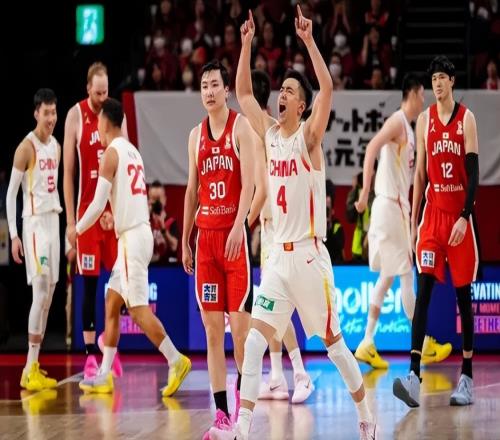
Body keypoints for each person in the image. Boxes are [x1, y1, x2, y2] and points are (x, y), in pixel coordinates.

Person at [210, 8, 377, 439]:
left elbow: (328, 88)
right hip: (277, 263)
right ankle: (242, 427)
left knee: (335, 347)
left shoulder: (309, 138)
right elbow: (243, 93)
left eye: (289, 91)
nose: (281, 94)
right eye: (280, 89)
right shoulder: (269, 135)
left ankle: (367, 416)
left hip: (308, 258)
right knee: (253, 343)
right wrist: (246, 43)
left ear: (300, 106)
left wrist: (308, 41)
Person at [70, 98, 191, 395]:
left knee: (136, 311)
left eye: (98, 121)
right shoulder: (133, 151)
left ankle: (176, 360)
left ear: (104, 122)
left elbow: (97, 203)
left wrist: (77, 229)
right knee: (112, 301)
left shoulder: (110, 153)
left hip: (131, 240)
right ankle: (104, 374)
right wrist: (115, 216)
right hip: (138, 233)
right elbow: (128, 197)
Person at [393, 56, 479, 407]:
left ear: (452, 81)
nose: (438, 83)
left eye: (443, 77)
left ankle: (467, 377)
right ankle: (413, 376)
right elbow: (419, 175)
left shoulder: (466, 118)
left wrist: (465, 216)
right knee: (423, 291)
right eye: (434, 79)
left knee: (463, 297)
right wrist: (413, 223)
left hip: (458, 219)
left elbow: (473, 174)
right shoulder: (425, 120)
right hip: (432, 218)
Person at [354, 73, 452, 369]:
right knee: (407, 273)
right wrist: (364, 192)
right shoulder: (397, 121)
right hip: (389, 206)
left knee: (387, 276)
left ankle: (366, 342)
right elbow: (372, 147)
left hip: (393, 209)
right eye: (422, 94)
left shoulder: (408, 129)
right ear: (413, 92)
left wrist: (410, 226)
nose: (424, 100)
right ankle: (422, 343)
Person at [181, 59, 255, 436]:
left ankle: (243, 402)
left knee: (240, 334)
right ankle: (222, 413)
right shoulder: (195, 135)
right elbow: (192, 190)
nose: (209, 91)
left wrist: (240, 224)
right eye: (204, 86)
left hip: (233, 240)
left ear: (227, 90)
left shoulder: (241, 127)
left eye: (214, 85)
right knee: (213, 333)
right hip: (206, 241)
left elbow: (251, 184)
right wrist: (185, 239)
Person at [246, 69, 314, 404]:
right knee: (270, 304)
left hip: (284, 229)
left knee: (280, 305)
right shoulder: (265, 128)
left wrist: (243, 223)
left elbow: (263, 188)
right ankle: (276, 376)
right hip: (272, 226)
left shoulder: (263, 129)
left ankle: (300, 372)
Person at [64, 62, 126, 379]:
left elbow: (125, 163)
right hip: (87, 215)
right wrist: (70, 222)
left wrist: (117, 211)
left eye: (106, 92)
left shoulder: (114, 114)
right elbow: (68, 173)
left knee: (121, 286)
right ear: (88, 88)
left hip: (112, 216)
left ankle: (107, 342)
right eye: (98, 93)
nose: (102, 98)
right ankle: (90, 354)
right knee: (89, 286)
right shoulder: (75, 115)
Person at [6, 88, 61, 390]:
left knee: (48, 297)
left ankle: (34, 365)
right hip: (35, 224)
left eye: (54, 112)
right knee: (39, 293)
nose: (51, 118)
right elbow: (11, 194)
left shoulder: (56, 146)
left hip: (53, 221)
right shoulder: (25, 148)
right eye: (46, 113)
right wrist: (14, 235)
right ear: (36, 113)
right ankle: (29, 367)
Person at [148, 180, 179, 265]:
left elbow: (174, 246)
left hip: (166, 268)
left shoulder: (171, 222)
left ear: (164, 200)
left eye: (158, 199)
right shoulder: (144, 222)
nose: (156, 202)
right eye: (153, 199)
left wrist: (162, 227)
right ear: (149, 200)